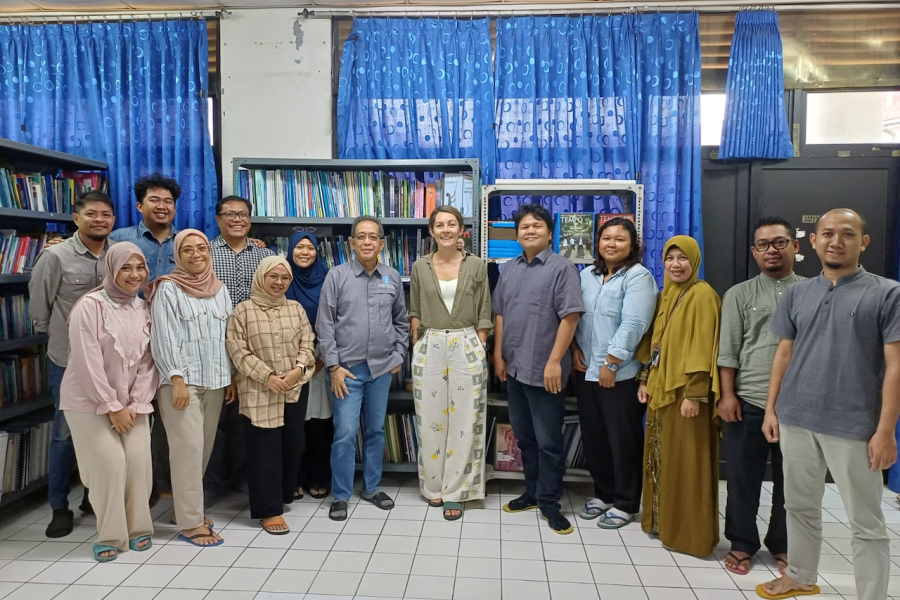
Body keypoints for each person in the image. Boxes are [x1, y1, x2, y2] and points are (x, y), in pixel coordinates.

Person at [759, 209, 900, 600]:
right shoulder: (799, 293)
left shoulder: (886, 293)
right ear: (815, 241)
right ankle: (801, 576)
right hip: (796, 417)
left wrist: (886, 431)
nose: (836, 241)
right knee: (800, 506)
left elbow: (895, 367)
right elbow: (783, 354)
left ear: (863, 242)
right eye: (828, 234)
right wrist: (772, 409)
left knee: (865, 522)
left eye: (847, 234)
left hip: (854, 425)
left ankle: (871, 595)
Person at [717, 217, 803, 576]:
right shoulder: (739, 293)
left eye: (779, 242)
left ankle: (783, 544)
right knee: (741, 477)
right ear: (754, 251)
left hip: (799, 404)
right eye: (764, 244)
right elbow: (728, 350)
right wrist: (727, 395)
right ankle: (741, 543)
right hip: (748, 398)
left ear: (795, 246)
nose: (772, 250)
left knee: (794, 481)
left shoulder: (813, 291)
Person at [492, 203, 584, 535]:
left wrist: (554, 361)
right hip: (514, 369)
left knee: (548, 442)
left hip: (546, 372)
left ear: (549, 232)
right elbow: (500, 313)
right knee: (526, 438)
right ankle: (531, 492)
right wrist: (499, 356)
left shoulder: (562, 268)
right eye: (524, 227)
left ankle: (549, 501)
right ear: (517, 234)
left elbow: (570, 316)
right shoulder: (509, 269)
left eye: (537, 226)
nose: (530, 231)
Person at [61, 243, 158, 561]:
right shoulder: (90, 306)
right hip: (89, 403)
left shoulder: (142, 307)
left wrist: (135, 402)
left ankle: (139, 529)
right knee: (110, 465)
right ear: (112, 270)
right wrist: (112, 405)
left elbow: (148, 361)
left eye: (139, 268)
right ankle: (111, 535)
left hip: (132, 404)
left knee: (138, 462)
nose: (134, 275)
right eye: (126, 268)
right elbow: (86, 361)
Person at [29, 191, 116, 537]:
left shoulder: (117, 255)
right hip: (69, 363)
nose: (100, 220)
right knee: (65, 436)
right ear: (75, 217)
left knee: (104, 434)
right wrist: (61, 340)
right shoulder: (56, 256)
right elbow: (40, 310)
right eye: (91, 214)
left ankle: (93, 497)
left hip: (110, 363)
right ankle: (59, 506)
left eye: (106, 215)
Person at [317, 216, 410, 521]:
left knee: (375, 430)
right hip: (347, 371)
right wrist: (333, 366)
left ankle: (371, 488)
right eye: (361, 237)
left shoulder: (392, 277)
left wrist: (398, 355)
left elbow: (401, 320)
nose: (368, 242)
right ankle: (341, 495)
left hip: (382, 369)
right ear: (352, 242)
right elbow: (325, 325)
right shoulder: (337, 276)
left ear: (382, 243)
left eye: (374, 237)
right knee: (344, 433)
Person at [146, 229, 235, 547]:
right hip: (181, 384)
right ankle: (191, 523)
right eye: (188, 250)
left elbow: (227, 337)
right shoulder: (167, 289)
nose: (196, 254)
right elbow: (163, 336)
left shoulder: (220, 290)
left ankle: (185, 510)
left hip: (216, 381)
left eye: (202, 248)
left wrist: (231, 377)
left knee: (203, 452)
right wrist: (176, 378)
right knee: (187, 451)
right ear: (177, 256)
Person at [635, 235, 721, 557]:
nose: (675, 264)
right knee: (663, 459)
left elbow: (703, 347)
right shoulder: (665, 296)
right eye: (670, 258)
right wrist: (645, 379)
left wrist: (695, 394)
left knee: (687, 463)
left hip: (686, 397)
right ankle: (662, 523)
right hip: (661, 391)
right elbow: (656, 346)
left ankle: (689, 534)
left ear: (694, 261)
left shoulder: (703, 296)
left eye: (682, 258)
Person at [570, 217, 657, 529]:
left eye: (620, 239)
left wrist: (611, 363)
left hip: (618, 374)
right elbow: (576, 317)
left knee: (622, 439)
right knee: (595, 438)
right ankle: (603, 494)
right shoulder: (586, 276)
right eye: (606, 238)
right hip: (584, 370)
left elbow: (634, 324)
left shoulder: (638, 277)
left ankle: (625, 502)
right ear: (597, 243)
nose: (611, 244)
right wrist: (573, 349)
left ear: (632, 245)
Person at [408, 206, 492, 520]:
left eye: (452, 224)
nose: (446, 230)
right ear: (432, 231)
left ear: (461, 230)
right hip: (430, 343)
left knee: (465, 420)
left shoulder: (476, 265)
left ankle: (457, 491)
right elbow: (414, 309)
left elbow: (485, 308)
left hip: (466, 341)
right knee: (429, 419)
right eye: (439, 225)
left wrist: (480, 343)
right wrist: (418, 341)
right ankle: (433, 488)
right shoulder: (420, 266)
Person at [226, 256, 316, 535]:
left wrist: (297, 370)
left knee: (291, 445)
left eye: (285, 278)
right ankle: (269, 510)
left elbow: (308, 341)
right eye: (273, 277)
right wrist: (267, 376)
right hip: (259, 390)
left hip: (294, 388)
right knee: (263, 450)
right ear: (261, 277)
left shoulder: (296, 308)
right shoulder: (243, 311)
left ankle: (283, 496)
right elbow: (237, 350)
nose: (279, 283)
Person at [207, 195, 275, 496]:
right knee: (212, 421)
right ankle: (209, 484)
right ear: (218, 219)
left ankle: (242, 479)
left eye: (243, 214)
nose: (237, 219)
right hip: (211, 345)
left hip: (253, 348)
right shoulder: (203, 252)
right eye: (230, 214)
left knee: (246, 418)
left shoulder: (264, 256)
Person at [285, 231, 333, 500]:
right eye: (299, 247)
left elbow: (338, 319)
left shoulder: (328, 280)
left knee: (320, 422)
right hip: (286, 360)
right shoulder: (281, 278)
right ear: (290, 250)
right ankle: (293, 479)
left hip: (321, 358)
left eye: (310, 248)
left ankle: (318, 477)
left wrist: (323, 357)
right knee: (292, 423)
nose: (305, 252)